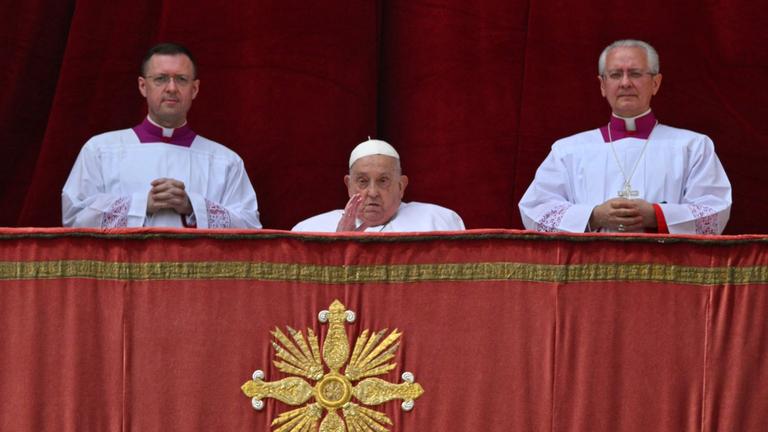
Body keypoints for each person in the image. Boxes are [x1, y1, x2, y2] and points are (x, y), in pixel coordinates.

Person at [518, 39, 731, 234]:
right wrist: (593, 215)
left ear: (655, 83)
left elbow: (714, 210)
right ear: (603, 85)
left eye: (636, 73)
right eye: (616, 74)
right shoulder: (568, 150)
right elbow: (535, 209)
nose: (625, 83)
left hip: (664, 270)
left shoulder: (693, 147)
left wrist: (656, 215)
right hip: (590, 270)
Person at [62, 42, 261, 228]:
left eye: (181, 79)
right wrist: (141, 205)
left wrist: (193, 205)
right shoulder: (100, 150)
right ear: (143, 86)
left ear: (194, 89)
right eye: (161, 79)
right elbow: (74, 218)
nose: (172, 88)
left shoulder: (225, 161)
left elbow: (250, 226)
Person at [292, 139, 465, 232]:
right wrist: (338, 247)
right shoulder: (309, 231)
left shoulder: (439, 222)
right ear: (348, 185)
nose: (372, 192)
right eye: (362, 181)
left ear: (401, 186)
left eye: (383, 181)